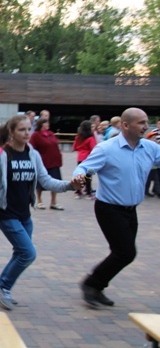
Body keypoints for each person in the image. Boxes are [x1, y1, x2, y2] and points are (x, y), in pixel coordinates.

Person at [0, 115, 81, 310]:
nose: (26, 133)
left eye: (28, 129)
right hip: (6, 213)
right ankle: (4, 287)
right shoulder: (1, 155)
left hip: (24, 215)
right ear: (11, 133)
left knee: (21, 252)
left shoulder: (33, 154)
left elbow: (46, 181)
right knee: (28, 253)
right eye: (21, 130)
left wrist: (69, 185)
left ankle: (0, 286)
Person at [74, 108, 160, 307]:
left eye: (146, 122)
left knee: (120, 252)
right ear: (125, 125)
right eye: (141, 123)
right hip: (109, 208)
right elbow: (85, 167)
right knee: (126, 252)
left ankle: (97, 287)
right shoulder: (107, 148)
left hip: (131, 210)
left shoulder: (149, 148)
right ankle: (91, 284)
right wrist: (79, 176)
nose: (146, 126)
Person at [30, 118, 65, 210]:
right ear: (41, 124)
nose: (48, 124)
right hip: (42, 162)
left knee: (55, 181)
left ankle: (53, 202)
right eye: (46, 123)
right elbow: (32, 148)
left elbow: (56, 146)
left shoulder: (51, 134)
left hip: (54, 162)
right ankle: (39, 201)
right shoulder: (36, 135)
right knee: (40, 182)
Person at [72, 120, 97, 200]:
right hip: (88, 158)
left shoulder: (78, 137)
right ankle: (88, 192)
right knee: (88, 176)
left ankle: (78, 191)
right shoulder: (91, 138)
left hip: (80, 157)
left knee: (80, 175)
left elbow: (74, 147)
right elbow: (94, 149)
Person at [145, 121, 160, 197]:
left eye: (155, 137)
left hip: (155, 165)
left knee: (156, 178)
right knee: (149, 179)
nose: (154, 138)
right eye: (152, 137)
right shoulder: (148, 146)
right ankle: (146, 191)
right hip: (150, 165)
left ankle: (156, 190)